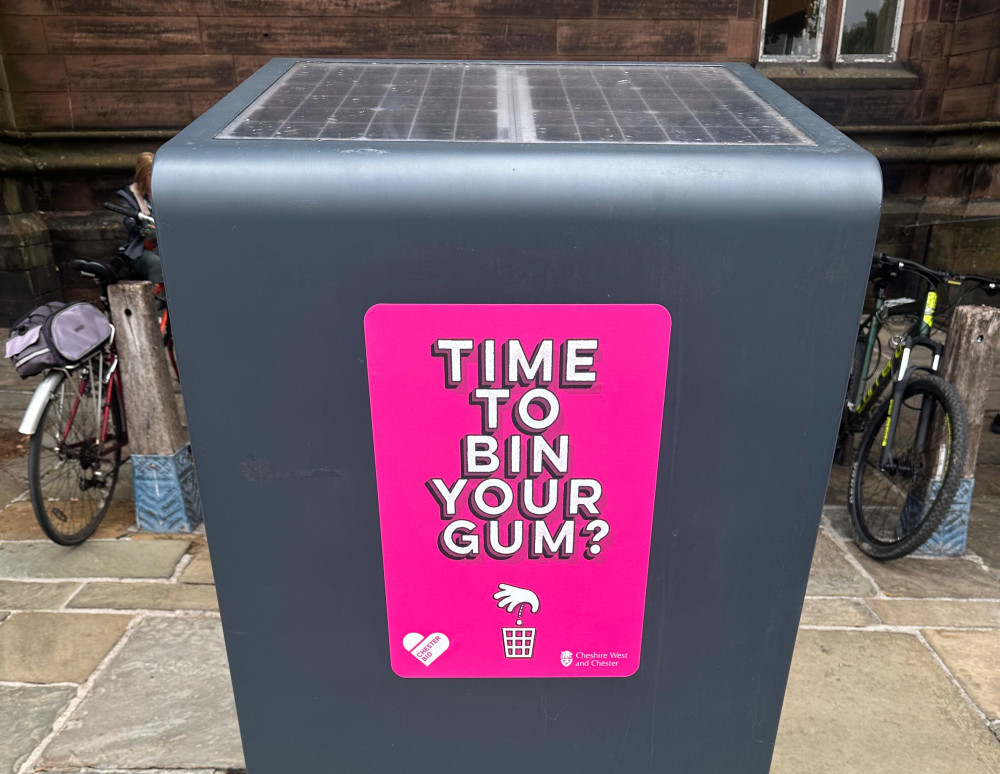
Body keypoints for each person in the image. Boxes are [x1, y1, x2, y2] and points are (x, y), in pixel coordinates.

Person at [116, 152, 163, 283]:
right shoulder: (129, 195)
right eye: (150, 175)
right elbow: (129, 222)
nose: (154, 179)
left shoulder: (163, 192)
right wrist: (144, 226)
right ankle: (160, 301)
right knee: (157, 265)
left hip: (166, 244)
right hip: (142, 247)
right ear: (142, 176)